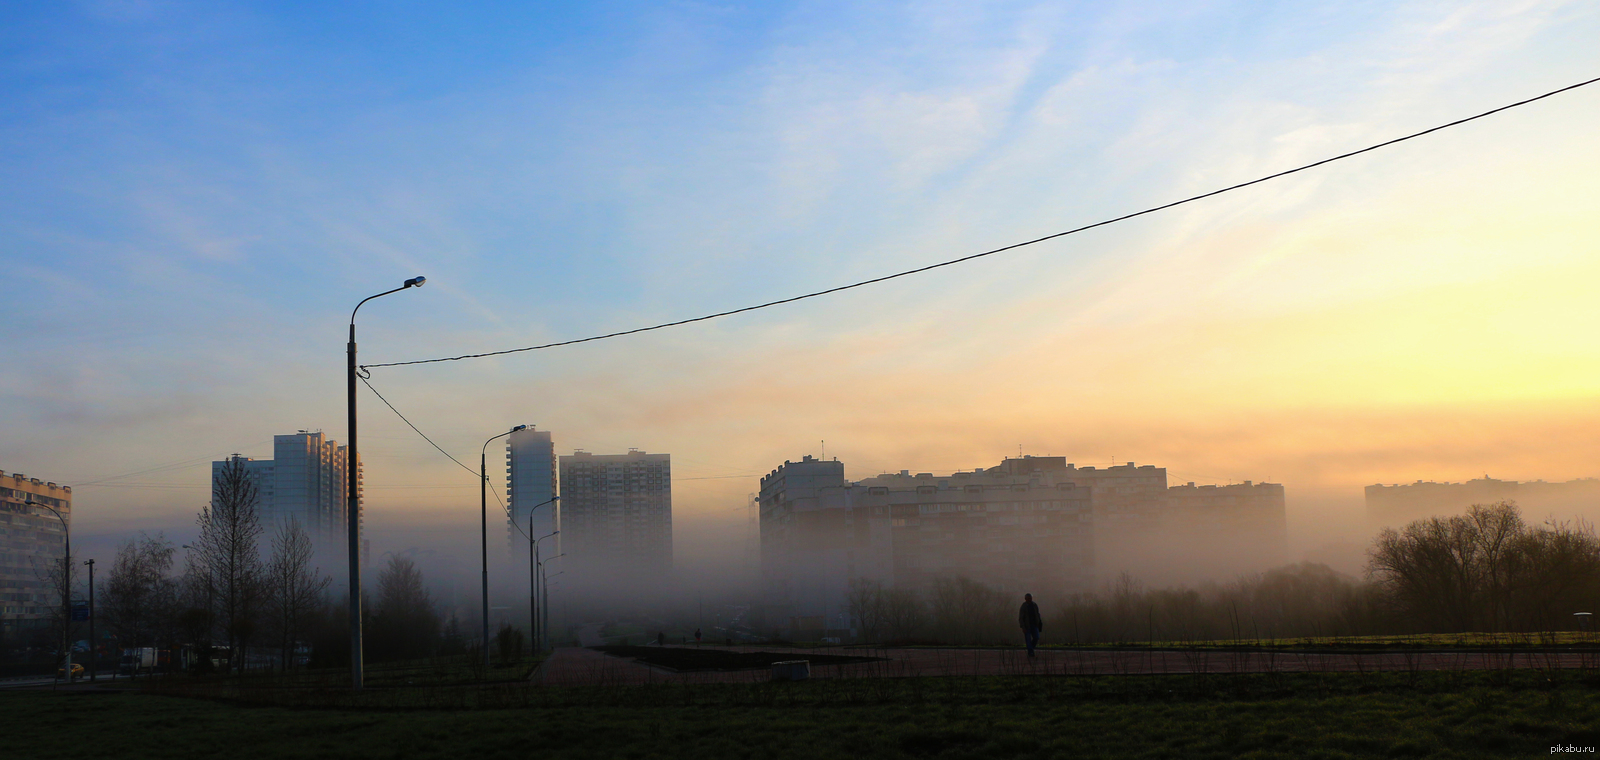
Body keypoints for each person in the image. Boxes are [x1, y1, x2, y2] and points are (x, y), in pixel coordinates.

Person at [1018, 593, 1043, 657]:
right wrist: (1023, 627)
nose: (1030, 599)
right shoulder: (1023, 606)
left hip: (1034, 625)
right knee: (1028, 639)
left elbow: (1037, 614)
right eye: (1028, 598)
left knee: (1036, 637)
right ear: (1025, 599)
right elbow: (1021, 618)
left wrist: (1039, 623)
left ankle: (1030, 649)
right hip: (1027, 626)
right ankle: (1030, 652)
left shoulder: (1034, 605)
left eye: (1030, 598)